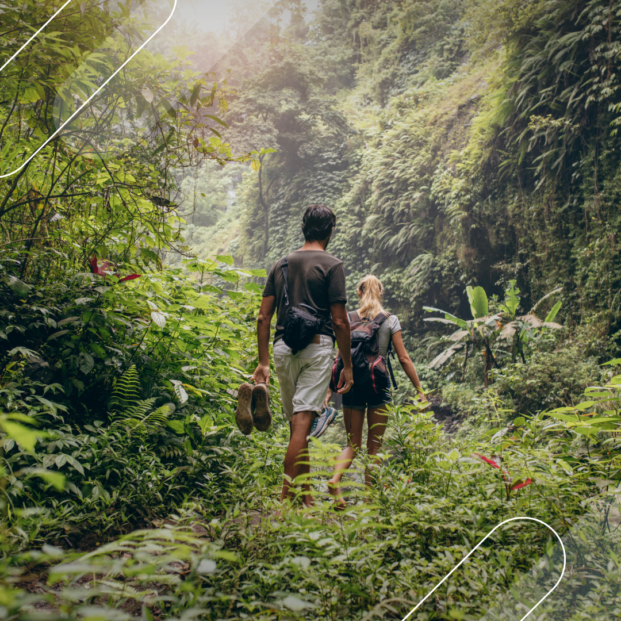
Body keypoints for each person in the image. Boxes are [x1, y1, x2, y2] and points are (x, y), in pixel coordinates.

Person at [250, 204, 354, 508]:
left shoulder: (280, 264)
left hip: (283, 349)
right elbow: (340, 320)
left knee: (299, 424)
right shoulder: (332, 265)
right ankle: (286, 496)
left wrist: (263, 361)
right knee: (302, 423)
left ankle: (305, 497)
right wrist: (346, 365)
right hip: (317, 346)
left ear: (303, 228)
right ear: (330, 230)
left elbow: (262, 317)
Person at [326, 275, 426, 509]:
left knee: (353, 444)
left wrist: (331, 391)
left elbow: (339, 359)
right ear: (380, 292)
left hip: (350, 385)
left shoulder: (348, 319)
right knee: (374, 447)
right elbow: (403, 358)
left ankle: (335, 479)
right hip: (378, 385)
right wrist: (420, 390)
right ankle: (370, 501)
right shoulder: (390, 321)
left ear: (359, 293)